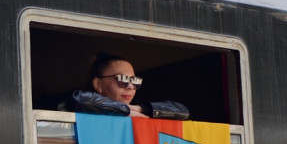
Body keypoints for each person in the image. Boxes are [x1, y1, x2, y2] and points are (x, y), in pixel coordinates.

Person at [49, 51, 189, 119]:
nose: (130, 86)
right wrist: (126, 110)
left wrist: (139, 109)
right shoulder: (81, 106)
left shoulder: (137, 111)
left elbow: (182, 111)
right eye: (122, 79)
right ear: (98, 84)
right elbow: (79, 98)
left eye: (134, 81)